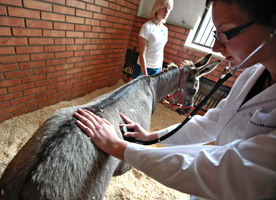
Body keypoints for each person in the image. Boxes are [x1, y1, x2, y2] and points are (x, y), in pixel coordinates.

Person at [74, 0, 276, 199]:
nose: (215, 47)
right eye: (215, 34)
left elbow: (223, 170)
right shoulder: (251, 74)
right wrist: (151, 137)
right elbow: (211, 122)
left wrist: (119, 147)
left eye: (225, 34)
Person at [131, 0, 173, 79]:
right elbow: (142, 54)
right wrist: (145, 75)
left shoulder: (165, 29)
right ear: (157, 8)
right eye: (164, 8)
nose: (167, 12)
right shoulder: (147, 27)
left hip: (156, 68)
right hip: (143, 66)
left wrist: (160, 69)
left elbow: (161, 51)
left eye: (169, 9)